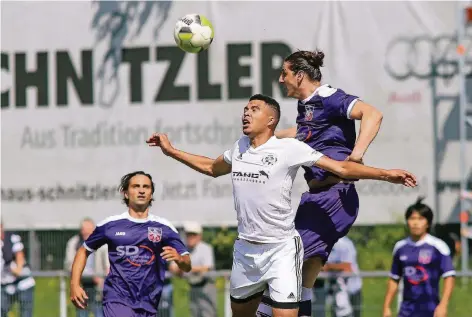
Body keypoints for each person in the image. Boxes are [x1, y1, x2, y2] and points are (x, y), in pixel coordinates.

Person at [146, 94, 417, 317]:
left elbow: (342, 169)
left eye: (254, 109)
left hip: (281, 250)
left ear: (271, 120)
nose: (246, 113)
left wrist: (386, 174)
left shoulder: (289, 148)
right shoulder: (240, 147)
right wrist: (172, 151)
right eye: (245, 109)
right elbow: (210, 167)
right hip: (246, 251)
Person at [258, 49, 384, 317]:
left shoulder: (329, 97)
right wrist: (266, 139)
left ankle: (262, 313)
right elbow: (302, 134)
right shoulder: (307, 106)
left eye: (285, 73)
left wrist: (357, 154)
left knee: (284, 262)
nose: (281, 79)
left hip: (334, 197)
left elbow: (373, 114)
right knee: (305, 275)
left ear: (300, 76)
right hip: (317, 199)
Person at [69, 171, 192, 317]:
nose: (141, 190)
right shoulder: (110, 225)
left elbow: (187, 265)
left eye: (146, 187)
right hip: (117, 298)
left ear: (151, 194)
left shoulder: (164, 227)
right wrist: (74, 284)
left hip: (149, 302)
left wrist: (178, 258)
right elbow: (83, 251)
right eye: (136, 186)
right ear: (126, 193)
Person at [382, 198, 455, 317]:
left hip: (431, 310)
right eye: (412, 218)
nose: (416, 223)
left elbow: (449, 276)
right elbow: (394, 278)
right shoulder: (400, 247)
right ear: (407, 221)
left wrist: (443, 305)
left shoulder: (438, 246)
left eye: (420, 219)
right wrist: (386, 307)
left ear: (428, 223)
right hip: (406, 311)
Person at [65, 218, 109, 317]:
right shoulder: (74, 243)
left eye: (89, 230)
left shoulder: (102, 243)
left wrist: (103, 280)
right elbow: (69, 264)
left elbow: (108, 265)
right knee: (81, 313)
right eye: (84, 230)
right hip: (81, 283)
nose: (86, 233)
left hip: (98, 285)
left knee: (99, 312)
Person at [1, 223, 35, 317]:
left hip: (22, 283)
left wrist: (18, 269)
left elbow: (19, 254)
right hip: (5, 286)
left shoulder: (11, 238)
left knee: (25, 313)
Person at [324, 236, 362, 317]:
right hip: (336, 289)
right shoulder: (325, 244)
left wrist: (328, 267)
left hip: (352, 290)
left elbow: (348, 267)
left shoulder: (344, 244)